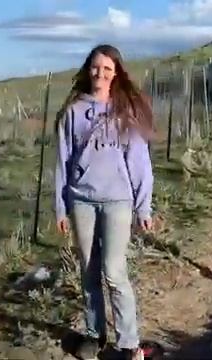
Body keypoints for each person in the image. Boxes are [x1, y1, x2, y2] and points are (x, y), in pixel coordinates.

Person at [54, 44, 155, 360]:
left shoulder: (124, 111)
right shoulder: (72, 113)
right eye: (96, 67)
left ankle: (128, 342)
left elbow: (139, 161)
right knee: (88, 270)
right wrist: (60, 206)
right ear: (88, 70)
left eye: (107, 69)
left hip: (118, 202)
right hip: (81, 200)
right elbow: (62, 162)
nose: (100, 73)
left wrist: (143, 206)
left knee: (113, 271)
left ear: (116, 74)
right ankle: (94, 334)